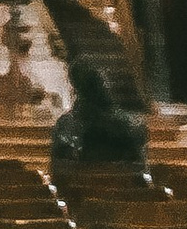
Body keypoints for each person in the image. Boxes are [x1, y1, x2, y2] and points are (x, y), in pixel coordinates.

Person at [49, 50, 148, 181]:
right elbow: (140, 169)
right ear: (103, 84)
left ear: (74, 86)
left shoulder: (65, 125)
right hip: (125, 197)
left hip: (81, 197)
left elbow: (58, 174)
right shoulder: (129, 125)